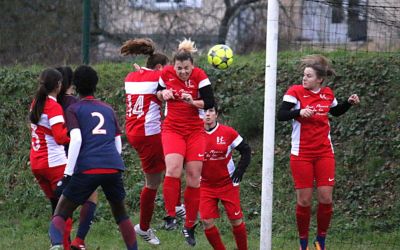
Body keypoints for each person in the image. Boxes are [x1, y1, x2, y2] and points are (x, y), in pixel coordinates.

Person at [48, 65, 138, 250]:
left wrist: (68, 174)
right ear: (96, 85)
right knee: (121, 214)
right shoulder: (108, 108)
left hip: (88, 167)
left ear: (75, 86)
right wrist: (111, 161)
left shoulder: (74, 109)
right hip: (113, 166)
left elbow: (77, 138)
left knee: (60, 213)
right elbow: (117, 141)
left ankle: (57, 245)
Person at [277, 55, 360, 250]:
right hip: (301, 154)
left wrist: (348, 102)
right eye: (304, 75)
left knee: (326, 198)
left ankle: (320, 241)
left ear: (319, 79)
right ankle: (303, 243)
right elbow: (281, 115)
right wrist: (299, 112)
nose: (304, 79)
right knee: (304, 201)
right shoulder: (295, 92)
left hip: (324, 153)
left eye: (308, 75)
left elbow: (335, 111)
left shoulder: (327, 94)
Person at [121, 38, 186, 245]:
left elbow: (149, 82)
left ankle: (175, 207)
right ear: (160, 67)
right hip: (149, 134)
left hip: (133, 132)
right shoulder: (160, 76)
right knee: (154, 181)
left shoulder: (131, 76)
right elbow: (178, 77)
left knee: (173, 163)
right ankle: (145, 226)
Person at [157, 38, 215, 246]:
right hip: (172, 129)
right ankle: (171, 215)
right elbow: (158, 92)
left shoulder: (200, 76)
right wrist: (163, 94)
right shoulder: (166, 74)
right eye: (179, 68)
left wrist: (193, 101)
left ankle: (189, 225)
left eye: (186, 68)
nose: (183, 72)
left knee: (193, 177)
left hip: (195, 131)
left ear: (193, 66)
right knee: (172, 169)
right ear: (173, 66)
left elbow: (210, 103)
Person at [55, 66, 98, 250]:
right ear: (70, 83)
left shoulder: (48, 102)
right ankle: (77, 241)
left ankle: (63, 242)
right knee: (90, 197)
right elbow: (80, 135)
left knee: (60, 205)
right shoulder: (73, 103)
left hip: (52, 157)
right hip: (74, 157)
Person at [29, 68, 70, 249]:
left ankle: (56, 242)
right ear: (59, 85)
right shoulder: (53, 106)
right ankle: (63, 244)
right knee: (66, 207)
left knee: (55, 205)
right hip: (54, 163)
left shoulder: (36, 102)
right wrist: (77, 137)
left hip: (37, 163)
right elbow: (60, 138)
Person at [200, 105, 251, 250]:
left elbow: (246, 151)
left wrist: (240, 171)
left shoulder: (227, 132)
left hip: (227, 183)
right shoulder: (195, 134)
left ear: (216, 114)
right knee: (206, 221)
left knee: (235, 220)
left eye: (210, 111)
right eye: (204, 112)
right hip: (205, 184)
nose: (207, 115)